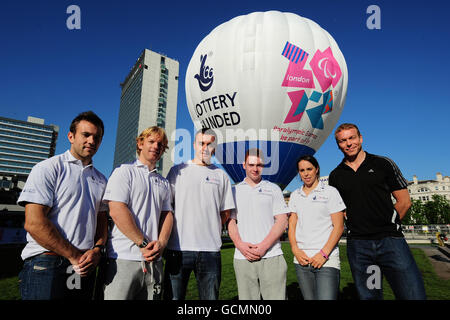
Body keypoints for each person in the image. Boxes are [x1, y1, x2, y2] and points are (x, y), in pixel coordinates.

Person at [328, 123, 426, 300]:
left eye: (352, 138)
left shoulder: (383, 164)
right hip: (360, 247)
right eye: (343, 141)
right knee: (371, 296)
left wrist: (388, 224)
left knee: (412, 294)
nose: (349, 143)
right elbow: (339, 210)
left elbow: (404, 202)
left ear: (360, 138)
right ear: (338, 145)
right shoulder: (336, 176)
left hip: (391, 243)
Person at [17, 111, 108, 300]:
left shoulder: (101, 180)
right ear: (71, 136)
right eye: (86, 135)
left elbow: (101, 222)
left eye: (97, 137)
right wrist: (73, 255)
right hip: (47, 263)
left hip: (84, 266)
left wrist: (97, 251)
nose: (91, 141)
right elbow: (34, 223)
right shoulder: (48, 168)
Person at [102, 126, 173, 300]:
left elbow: (167, 215)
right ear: (140, 143)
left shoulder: (163, 183)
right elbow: (117, 209)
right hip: (123, 258)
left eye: (161, 144)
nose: (156, 146)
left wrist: (161, 244)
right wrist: (142, 244)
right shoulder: (124, 172)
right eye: (151, 141)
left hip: (154, 261)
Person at [163, 128, 235, 300]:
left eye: (209, 144)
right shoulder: (177, 171)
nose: (205, 148)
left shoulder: (221, 176)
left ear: (214, 148)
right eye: (201, 143)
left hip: (209, 250)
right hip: (178, 249)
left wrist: (209, 225)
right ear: (194, 145)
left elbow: (225, 211)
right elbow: (167, 207)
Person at [228, 148, 289, 300]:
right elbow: (231, 221)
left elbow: (282, 221)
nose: (255, 169)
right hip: (243, 257)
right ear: (244, 165)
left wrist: (264, 246)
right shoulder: (234, 191)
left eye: (259, 165)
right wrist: (240, 245)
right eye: (251, 165)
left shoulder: (273, 188)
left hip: (272, 255)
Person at [288, 155, 345, 300]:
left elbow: (338, 227)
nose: (306, 173)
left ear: (316, 169)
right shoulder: (295, 195)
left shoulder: (330, 192)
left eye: (309, 169)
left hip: (327, 260)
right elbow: (292, 225)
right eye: (302, 170)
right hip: (301, 260)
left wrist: (324, 254)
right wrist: (295, 250)